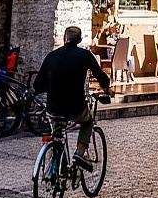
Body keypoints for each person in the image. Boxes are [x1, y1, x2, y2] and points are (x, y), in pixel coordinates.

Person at [33, 25, 113, 170]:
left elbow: (37, 85)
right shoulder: (84, 55)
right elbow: (100, 75)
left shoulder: (52, 56)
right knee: (88, 121)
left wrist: (50, 87)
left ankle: (55, 169)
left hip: (53, 107)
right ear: (80, 39)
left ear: (65, 39)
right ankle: (80, 153)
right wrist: (106, 88)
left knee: (57, 134)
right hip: (75, 106)